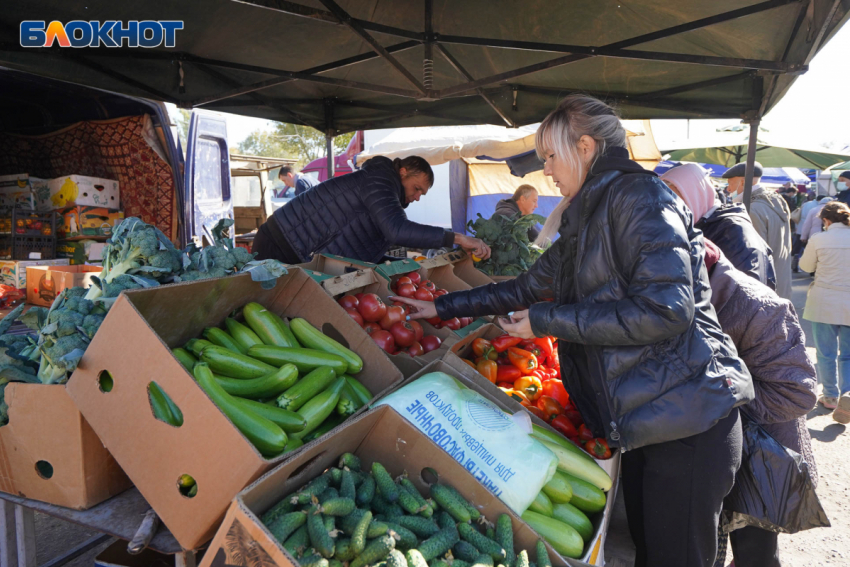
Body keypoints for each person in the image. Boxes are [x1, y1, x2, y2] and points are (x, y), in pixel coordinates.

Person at [394, 95, 753, 567]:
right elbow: (527, 286)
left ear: (584, 146)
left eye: (550, 156)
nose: (545, 171)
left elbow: (667, 310)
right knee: (651, 550)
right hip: (652, 418)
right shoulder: (589, 215)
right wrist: (440, 306)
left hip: (688, 419)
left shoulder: (640, 198)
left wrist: (545, 320)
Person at [703, 240, 817, 567]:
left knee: (756, 553)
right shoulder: (707, 292)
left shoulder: (755, 304)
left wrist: (720, 402)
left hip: (763, 457)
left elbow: (797, 393)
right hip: (736, 451)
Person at [252, 155, 491, 264]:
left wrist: (394, 265)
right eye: (417, 188)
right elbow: (396, 230)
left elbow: (366, 239)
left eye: (422, 194)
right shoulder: (379, 181)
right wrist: (457, 238)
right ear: (403, 172)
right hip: (282, 243)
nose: (417, 197)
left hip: (296, 247)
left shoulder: (386, 190)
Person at [661, 163, 776, 289]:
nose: (668, 206)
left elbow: (745, 294)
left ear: (696, 194)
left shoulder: (734, 231)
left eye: (675, 199)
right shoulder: (697, 225)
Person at [799, 201, 850, 420]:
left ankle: (830, 397)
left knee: (826, 353)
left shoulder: (819, 239)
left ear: (826, 220)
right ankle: (847, 394)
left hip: (824, 301)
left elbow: (806, 267)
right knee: (848, 354)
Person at [724, 162, 793, 300]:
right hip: (780, 279)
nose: (728, 189)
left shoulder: (752, 209)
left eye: (731, 183)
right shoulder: (775, 201)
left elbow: (753, 257)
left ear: (742, 182)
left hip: (762, 288)